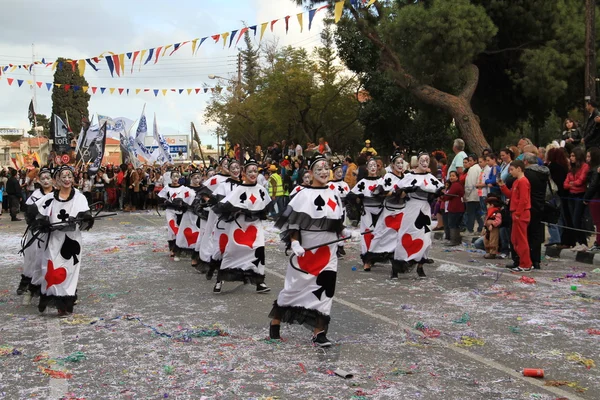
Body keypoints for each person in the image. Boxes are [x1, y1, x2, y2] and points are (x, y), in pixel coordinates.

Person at [269, 154, 348, 347]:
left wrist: (346, 232)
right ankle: (275, 323)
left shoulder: (334, 193)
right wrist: (295, 243)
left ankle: (319, 333)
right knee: (294, 288)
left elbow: (337, 222)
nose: (323, 172)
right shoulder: (302, 195)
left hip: (328, 250)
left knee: (326, 289)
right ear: (311, 173)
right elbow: (294, 223)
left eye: (326, 168)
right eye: (319, 169)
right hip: (306, 250)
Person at [30, 166, 94, 317]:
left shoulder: (79, 197)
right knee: (51, 267)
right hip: (53, 240)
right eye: (63, 177)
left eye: (69, 176)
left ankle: (65, 302)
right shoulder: (50, 198)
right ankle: (54, 297)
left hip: (72, 242)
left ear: (73, 179)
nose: (67, 179)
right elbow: (36, 212)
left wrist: (83, 218)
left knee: (69, 271)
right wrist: (43, 222)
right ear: (57, 179)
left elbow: (85, 215)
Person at [212, 158, 272, 294]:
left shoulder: (261, 190)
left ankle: (259, 282)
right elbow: (224, 206)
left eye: (255, 171)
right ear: (244, 173)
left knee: (258, 251)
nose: (253, 174)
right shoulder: (239, 190)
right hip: (239, 226)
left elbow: (266, 206)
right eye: (250, 171)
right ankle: (220, 279)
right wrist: (238, 210)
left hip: (255, 227)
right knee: (232, 251)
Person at [392, 152, 443, 278]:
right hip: (411, 209)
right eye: (422, 160)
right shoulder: (409, 176)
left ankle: (420, 266)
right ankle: (396, 267)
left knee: (425, 238)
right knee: (406, 235)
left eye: (427, 161)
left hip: (424, 210)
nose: (425, 163)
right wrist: (407, 191)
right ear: (417, 161)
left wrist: (436, 193)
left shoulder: (431, 177)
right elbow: (398, 192)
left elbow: (439, 190)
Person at [363, 151, 407, 278]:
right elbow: (378, 192)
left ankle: (396, 268)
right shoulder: (388, 177)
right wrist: (394, 193)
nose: (400, 165)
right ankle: (369, 259)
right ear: (392, 165)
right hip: (389, 212)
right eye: (397, 163)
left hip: (402, 211)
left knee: (399, 239)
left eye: (401, 163)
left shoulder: (406, 177)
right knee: (380, 236)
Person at [17, 167, 54, 304]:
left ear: (53, 179)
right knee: (33, 259)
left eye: (48, 178)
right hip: (37, 232)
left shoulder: (57, 194)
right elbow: (29, 214)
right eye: (42, 178)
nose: (45, 181)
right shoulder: (35, 195)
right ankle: (28, 284)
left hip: (52, 232)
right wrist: (36, 223)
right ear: (38, 180)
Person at [347, 158, 383, 271]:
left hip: (381, 212)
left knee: (379, 235)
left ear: (378, 168)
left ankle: (375, 257)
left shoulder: (382, 181)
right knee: (367, 235)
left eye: (375, 165)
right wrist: (359, 199)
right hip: (367, 211)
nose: (373, 167)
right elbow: (350, 196)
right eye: (370, 165)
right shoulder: (363, 182)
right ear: (367, 168)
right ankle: (366, 260)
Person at [499, 160, 532, 272]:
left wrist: (518, 213)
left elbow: (523, 199)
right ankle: (523, 262)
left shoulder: (523, 181)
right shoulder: (516, 182)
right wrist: (503, 187)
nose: (511, 172)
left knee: (521, 240)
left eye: (512, 169)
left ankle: (525, 264)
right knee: (515, 239)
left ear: (519, 168)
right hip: (516, 212)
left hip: (520, 213)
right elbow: (511, 195)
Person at [522, 152, 550, 269]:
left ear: (526, 162)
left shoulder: (527, 174)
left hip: (528, 206)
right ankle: (536, 260)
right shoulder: (543, 173)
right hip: (540, 205)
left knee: (526, 234)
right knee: (536, 233)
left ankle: (527, 259)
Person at [157, 169, 189, 262]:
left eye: (177, 176)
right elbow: (161, 197)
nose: (175, 178)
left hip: (180, 211)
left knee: (178, 228)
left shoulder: (183, 188)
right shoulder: (167, 187)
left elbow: (188, 197)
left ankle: (178, 248)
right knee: (172, 228)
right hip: (170, 211)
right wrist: (165, 202)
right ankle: (173, 248)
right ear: (170, 178)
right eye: (174, 176)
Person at [563, 147, 590, 249]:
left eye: (573, 156)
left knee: (577, 220)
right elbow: (565, 184)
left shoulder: (585, 166)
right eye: (570, 156)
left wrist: (572, 183)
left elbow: (580, 181)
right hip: (571, 196)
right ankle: (580, 242)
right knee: (573, 220)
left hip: (580, 195)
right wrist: (572, 184)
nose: (571, 158)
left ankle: (583, 242)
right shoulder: (571, 168)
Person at [546, 148, 569, 247]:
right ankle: (560, 238)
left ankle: (555, 238)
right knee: (561, 217)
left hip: (554, 194)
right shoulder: (564, 166)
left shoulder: (552, 167)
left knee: (552, 217)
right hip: (563, 194)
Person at [328, 162, 350, 257]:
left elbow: (349, 195)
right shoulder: (330, 184)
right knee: (336, 227)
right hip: (335, 210)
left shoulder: (345, 184)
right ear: (333, 172)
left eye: (341, 171)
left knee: (343, 227)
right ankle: (335, 246)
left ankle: (341, 246)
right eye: (337, 171)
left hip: (343, 208)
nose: (340, 173)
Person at [583, 147, 600, 251]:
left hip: (595, 198)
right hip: (595, 197)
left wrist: (586, 198)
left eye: (589, 156)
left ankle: (598, 242)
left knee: (598, 222)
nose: (587, 158)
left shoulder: (595, 170)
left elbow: (593, 185)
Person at [464, 154, 483, 234]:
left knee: (471, 213)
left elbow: (470, 183)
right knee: (478, 213)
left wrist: (466, 194)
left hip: (472, 194)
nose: (470, 162)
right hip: (478, 194)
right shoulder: (479, 168)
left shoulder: (472, 169)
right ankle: (481, 228)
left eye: (471, 160)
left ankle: (470, 229)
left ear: (475, 161)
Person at [482, 195, 503, 259]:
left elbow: (498, 221)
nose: (486, 206)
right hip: (487, 229)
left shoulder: (497, 212)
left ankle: (493, 252)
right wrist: (484, 226)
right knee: (486, 239)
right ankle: (488, 251)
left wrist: (492, 224)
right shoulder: (489, 212)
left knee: (493, 240)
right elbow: (486, 220)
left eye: (487, 204)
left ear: (492, 205)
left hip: (493, 229)